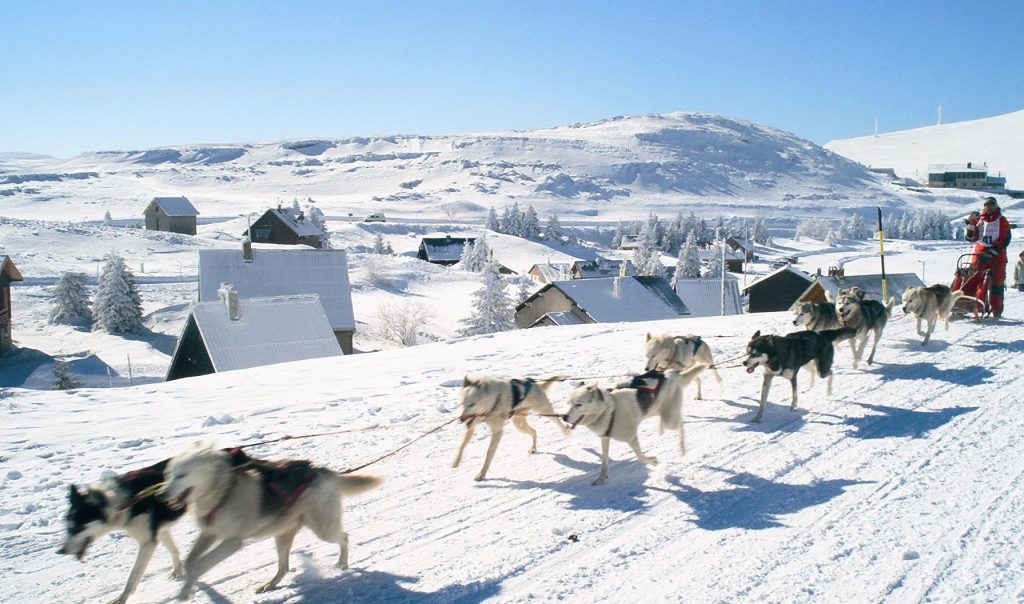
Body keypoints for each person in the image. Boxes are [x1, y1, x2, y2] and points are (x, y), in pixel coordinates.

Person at [966, 197, 1012, 318]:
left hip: (997, 256)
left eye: (992, 205)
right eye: (987, 205)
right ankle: (973, 305)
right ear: (984, 207)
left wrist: (992, 252)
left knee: (997, 284)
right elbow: (973, 238)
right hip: (980, 254)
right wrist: (970, 229)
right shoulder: (979, 220)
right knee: (974, 280)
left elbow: (1005, 239)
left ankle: (996, 310)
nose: (989, 207)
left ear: (996, 206)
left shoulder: (1002, 220)